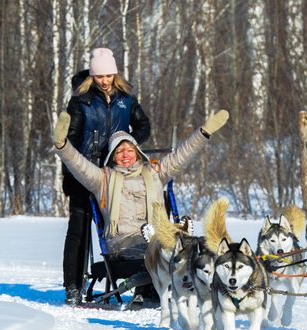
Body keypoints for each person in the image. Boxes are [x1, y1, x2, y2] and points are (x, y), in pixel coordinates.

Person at [52, 109, 230, 303]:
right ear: (112, 156)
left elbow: (182, 155)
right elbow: (79, 165)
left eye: (129, 150)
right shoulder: (102, 179)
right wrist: (62, 145)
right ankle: (150, 289)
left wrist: (203, 133)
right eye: (119, 151)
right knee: (157, 249)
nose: (125, 155)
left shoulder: (155, 172)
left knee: (199, 247)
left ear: (137, 152)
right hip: (123, 243)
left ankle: (214, 288)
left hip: (157, 237)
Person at [62, 47, 151, 306]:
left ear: (115, 74)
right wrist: (75, 170)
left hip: (116, 175)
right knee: (78, 230)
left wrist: (127, 145)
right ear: (92, 76)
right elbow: (71, 138)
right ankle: (72, 286)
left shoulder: (126, 99)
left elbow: (143, 126)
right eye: (100, 76)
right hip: (84, 172)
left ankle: (135, 276)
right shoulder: (81, 101)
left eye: (109, 76)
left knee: (120, 226)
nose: (105, 81)